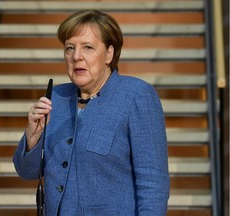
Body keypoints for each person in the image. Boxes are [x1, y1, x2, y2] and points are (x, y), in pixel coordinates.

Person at [13, 10, 170, 215]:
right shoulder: (56, 98)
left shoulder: (136, 96)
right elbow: (27, 171)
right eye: (70, 48)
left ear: (109, 54)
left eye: (88, 47)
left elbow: (153, 185)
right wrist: (33, 136)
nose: (76, 56)